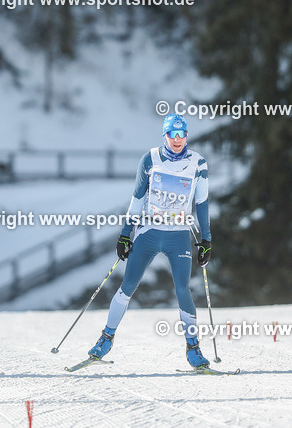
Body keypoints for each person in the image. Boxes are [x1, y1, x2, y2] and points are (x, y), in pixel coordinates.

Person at [88, 114, 213, 368]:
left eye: (181, 135)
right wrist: (125, 234)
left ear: (186, 136)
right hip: (149, 232)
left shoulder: (198, 164)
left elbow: (202, 204)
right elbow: (136, 199)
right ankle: (106, 338)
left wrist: (206, 239)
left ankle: (193, 349)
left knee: (182, 289)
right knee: (129, 285)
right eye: (172, 135)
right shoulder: (150, 159)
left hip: (178, 236)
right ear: (165, 135)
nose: (177, 140)